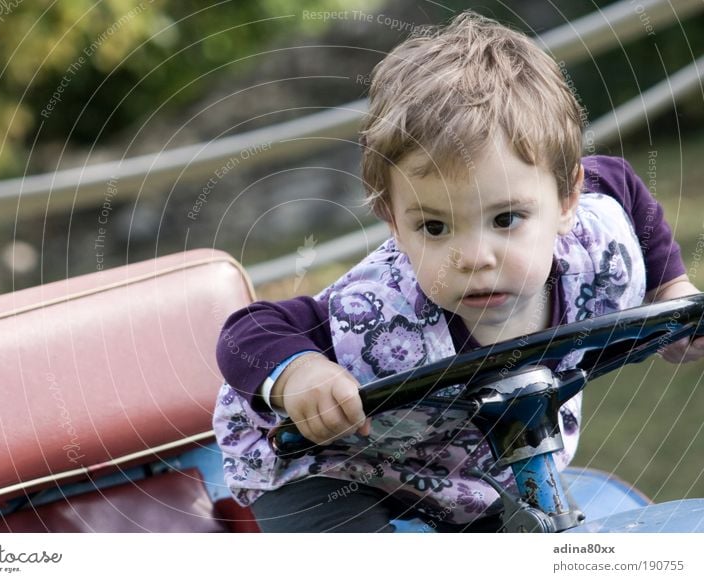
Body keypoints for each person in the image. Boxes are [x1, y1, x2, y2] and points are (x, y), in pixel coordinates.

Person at [212, 12, 704, 532]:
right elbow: (247, 331)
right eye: (434, 227)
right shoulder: (376, 316)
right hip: (331, 465)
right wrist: (302, 374)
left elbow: (621, 183)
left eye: (505, 219)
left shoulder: (598, 242)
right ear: (393, 223)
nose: (472, 257)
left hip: (472, 467)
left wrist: (671, 287)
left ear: (566, 199)